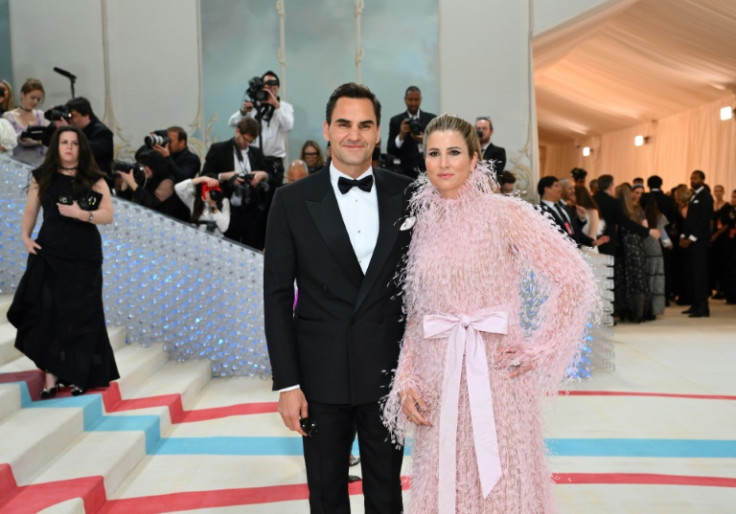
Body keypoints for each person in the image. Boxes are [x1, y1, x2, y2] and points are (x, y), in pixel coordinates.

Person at [382, 114, 596, 513]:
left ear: (475, 159)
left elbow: (574, 277)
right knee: (445, 480)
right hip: (438, 377)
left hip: (497, 378)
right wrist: (407, 375)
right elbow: (418, 309)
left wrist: (542, 348)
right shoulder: (422, 222)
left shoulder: (504, 213)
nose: (443, 163)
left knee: (502, 484)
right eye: (433, 153)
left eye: (454, 153)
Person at [264, 82, 411, 513]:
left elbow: (421, 288)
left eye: (365, 125)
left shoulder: (408, 193)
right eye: (344, 124)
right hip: (319, 376)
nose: (354, 134)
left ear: (378, 132)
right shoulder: (290, 201)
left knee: (387, 495)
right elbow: (276, 296)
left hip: (388, 373)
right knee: (326, 496)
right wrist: (287, 383)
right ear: (327, 129)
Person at [7, 126, 119, 398]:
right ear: (56, 147)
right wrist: (24, 236)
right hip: (49, 252)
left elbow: (107, 215)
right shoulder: (41, 176)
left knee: (82, 315)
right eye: (64, 142)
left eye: (74, 143)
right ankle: (51, 375)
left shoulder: (94, 178)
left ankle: (80, 374)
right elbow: (31, 211)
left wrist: (81, 214)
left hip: (84, 256)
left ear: (82, 147)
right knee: (47, 313)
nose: (69, 147)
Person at [202, 117, 270, 250]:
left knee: (253, 251)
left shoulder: (255, 153)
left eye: (250, 141)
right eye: (245, 139)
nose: (247, 144)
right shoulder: (218, 149)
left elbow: (270, 177)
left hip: (252, 213)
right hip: (228, 211)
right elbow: (204, 176)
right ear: (238, 131)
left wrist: (263, 175)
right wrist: (225, 176)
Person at [228, 70, 294, 186]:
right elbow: (232, 123)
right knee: (256, 197)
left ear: (277, 87)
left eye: (272, 84)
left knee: (274, 196)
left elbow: (288, 127)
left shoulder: (285, 107)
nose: (268, 87)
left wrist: (276, 106)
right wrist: (243, 112)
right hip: (254, 159)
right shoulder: (254, 106)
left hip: (274, 162)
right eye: (265, 84)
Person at [680, 170, 713, 317]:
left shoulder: (706, 196)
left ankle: (703, 306)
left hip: (700, 241)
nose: (692, 180)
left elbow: (703, 220)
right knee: (692, 272)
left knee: (700, 273)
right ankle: (695, 303)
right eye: (691, 178)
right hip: (691, 240)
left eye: (695, 178)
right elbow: (690, 220)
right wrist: (683, 235)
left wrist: (691, 238)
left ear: (702, 179)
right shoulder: (694, 195)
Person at [387, 85, 436, 179]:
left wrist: (425, 140)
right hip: (403, 173)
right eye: (410, 99)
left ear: (420, 99)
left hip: (427, 172)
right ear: (405, 99)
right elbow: (390, 150)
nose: (413, 103)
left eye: (416, 99)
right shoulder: (396, 121)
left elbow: (439, 146)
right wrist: (401, 135)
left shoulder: (431, 119)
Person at [117, 147, 179, 217]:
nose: (143, 169)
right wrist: (125, 182)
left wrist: (132, 183)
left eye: (146, 165)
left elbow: (151, 203)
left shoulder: (168, 181)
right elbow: (124, 202)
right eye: (142, 165)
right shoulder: (142, 177)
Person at [2, 78, 49, 165]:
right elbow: (4, 144)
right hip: (16, 165)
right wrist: (18, 138)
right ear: (22, 94)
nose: (35, 102)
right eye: (32, 97)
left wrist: (38, 142)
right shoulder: (8, 117)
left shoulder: (41, 115)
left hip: (39, 164)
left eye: (38, 99)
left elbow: (51, 139)